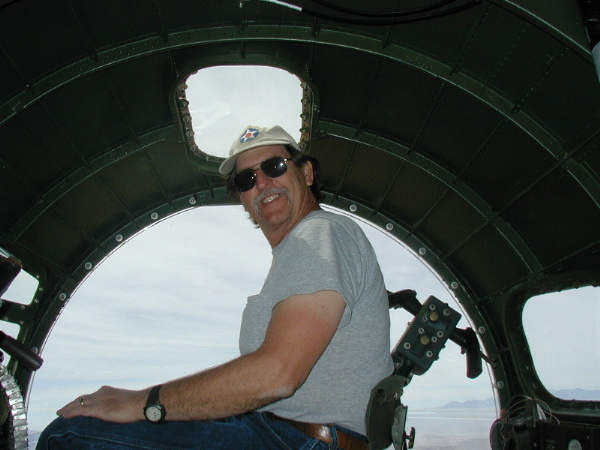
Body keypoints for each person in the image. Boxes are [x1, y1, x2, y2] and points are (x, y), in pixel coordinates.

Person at [37, 125, 394, 449]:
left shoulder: (319, 234)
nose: (262, 183)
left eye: (274, 166)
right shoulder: (303, 250)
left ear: (306, 172)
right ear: (242, 199)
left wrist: (145, 403)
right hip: (274, 430)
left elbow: (277, 374)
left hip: (297, 441)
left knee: (70, 435)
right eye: (246, 179)